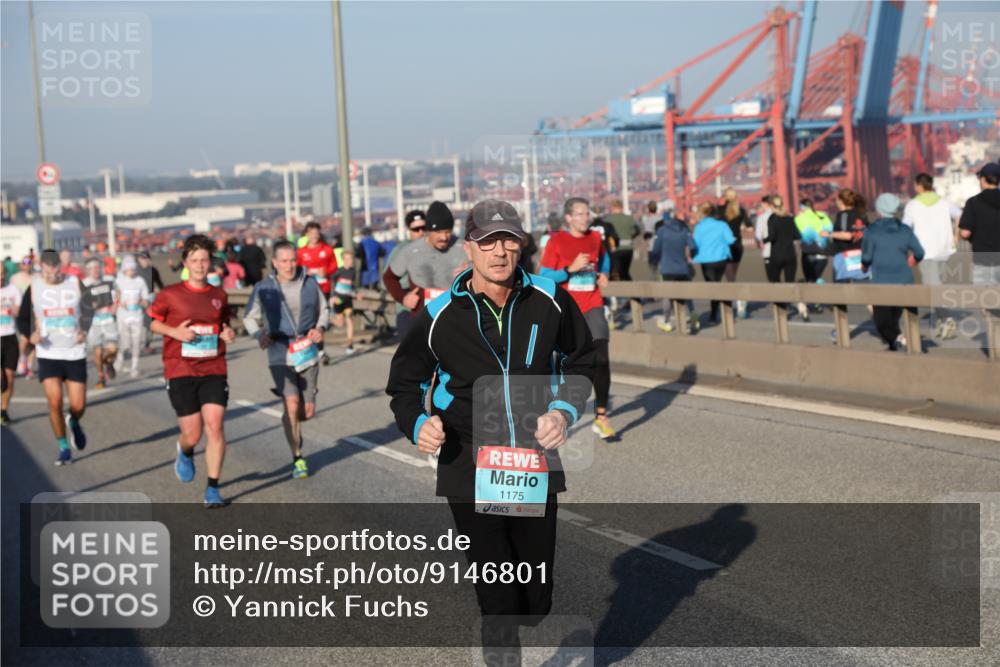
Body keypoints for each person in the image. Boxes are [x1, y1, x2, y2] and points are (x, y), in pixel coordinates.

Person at [386, 199, 595, 667]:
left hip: (531, 460)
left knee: (534, 595)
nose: (499, 251)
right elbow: (404, 382)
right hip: (469, 460)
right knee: (496, 588)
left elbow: (583, 360)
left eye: (508, 240)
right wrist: (418, 423)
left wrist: (562, 411)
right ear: (469, 249)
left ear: (521, 246)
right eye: (487, 241)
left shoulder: (549, 299)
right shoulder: (440, 313)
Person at [149, 234, 237, 507]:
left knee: (215, 425)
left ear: (210, 263)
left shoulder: (218, 295)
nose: (200, 265)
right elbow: (153, 323)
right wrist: (174, 331)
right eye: (195, 260)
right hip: (180, 369)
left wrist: (228, 333)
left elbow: (223, 325)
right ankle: (185, 451)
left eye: (204, 260)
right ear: (186, 262)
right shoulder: (170, 294)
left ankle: (212, 488)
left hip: (213, 366)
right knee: (193, 434)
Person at [243, 240, 328, 479]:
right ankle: (298, 457)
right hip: (279, 350)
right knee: (292, 404)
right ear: (274, 262)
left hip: (307, 351)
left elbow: (325, 309)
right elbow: (249, 317)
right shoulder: (264, 287)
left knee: (306, 412)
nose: (289, 266)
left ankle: (290, 416)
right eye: (284, 261)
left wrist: (320, 328)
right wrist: (259, 334)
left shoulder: (310, 283)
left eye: (292, 260)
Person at [539, 197, 616, 439]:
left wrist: (603, 272)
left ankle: (601, 416)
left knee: (601, 358)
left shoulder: (595, 238)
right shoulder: (556, 240)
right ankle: (556, 412)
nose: (586, 218)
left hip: (592, 304)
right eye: (580, 214)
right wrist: (569, 270)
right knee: (560, 365)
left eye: (587, 214)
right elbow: (544, 275)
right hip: (566, 310)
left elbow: (604, 257)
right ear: (569, 217)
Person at [15, 249, 88, 465]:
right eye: (47, 273)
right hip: (48, 353)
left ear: (60, 267)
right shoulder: (35, 287)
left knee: (78, 404)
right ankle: (63, 447)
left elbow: (89, 308)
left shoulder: (74, 282)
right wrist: (31, 335)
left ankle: (73, 421)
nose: (51, 276)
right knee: (54, 401)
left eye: (55, 271)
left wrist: (84, 328)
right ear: (42, 269)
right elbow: (23, 318)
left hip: (74, 352)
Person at [861, 193, 925, 351]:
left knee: (882, 321)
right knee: (899, 317)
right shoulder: (905, 230)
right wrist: (913, 260)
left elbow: (867, 256)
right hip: (904, 281)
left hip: (881, 283)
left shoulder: (872, 231)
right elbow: (919, 252)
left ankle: (896, 339)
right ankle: (900, 342)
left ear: (879, 209)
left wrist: (865, 265)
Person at [901, 173, 960, 337]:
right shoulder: (944, 202)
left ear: (919, 186)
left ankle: (947, 318)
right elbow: (960, 215)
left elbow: (905, 226)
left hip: (925, 251)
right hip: (945, 249)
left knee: (932, 287)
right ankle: (943, 321)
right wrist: (956, 235)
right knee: (936, 285)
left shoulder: (912, 205)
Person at [383, 201, 467, 315]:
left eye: (447, 232)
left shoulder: (464, 247)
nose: (444, 237)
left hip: (456, 313)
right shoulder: (410, 251)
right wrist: (403, 298)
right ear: (428, 231)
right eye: (438, 232)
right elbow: (389, 277)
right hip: (424, 317)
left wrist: (469, 274)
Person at [649, 209, 698, 334]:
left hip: (667, 268)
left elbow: (656, 250)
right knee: (686, 294)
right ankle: (693, 316)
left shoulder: (662, 231)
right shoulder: (684, 230)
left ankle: (666, 321)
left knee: (667, 296)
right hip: (682, 268)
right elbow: (693, 247)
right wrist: (690, 257)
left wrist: (653, 265)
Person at [762, 196, 809, 321]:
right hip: (790, 255)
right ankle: (801, 307)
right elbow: (797, 235)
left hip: (776, 255)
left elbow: (771, 236)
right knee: (790, 284)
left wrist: (764, 239)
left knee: (776, 283)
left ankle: (782, 312)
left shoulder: (772, 219)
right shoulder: (790, 218)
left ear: (772, 206)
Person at [382, 210, 426, 339]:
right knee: (411, 356)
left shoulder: (436, 249)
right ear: (409, 230)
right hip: (407, 310)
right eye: (416, 229)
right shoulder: (400, 251)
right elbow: (387, 280)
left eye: (424, 228)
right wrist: (404, 296)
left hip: (432, 310)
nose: (421, 232)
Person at [690, 202, 735, 324]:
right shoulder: (722, 224)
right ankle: (726, 310)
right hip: (721, 258)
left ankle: (714, 314)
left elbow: (695, 244)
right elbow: (731, 240)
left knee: (711, 286)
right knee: (718, 283)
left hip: (706, 260)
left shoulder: (699, 227)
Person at [79, 258, 119, 389]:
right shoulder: (84, 284)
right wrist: (88, 307)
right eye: (93, 268)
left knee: (112, 349)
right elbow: (80, 304)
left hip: (108, 319)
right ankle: (101, 376)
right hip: (94, 322)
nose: (96, 270)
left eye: (97, 267)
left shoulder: (108, 280)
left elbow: (118, 294)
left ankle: (108, 363)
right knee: (97, 352)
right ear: (88, 271)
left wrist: (115, 305)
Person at [958, 162, 1000, 286]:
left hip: (983, 257)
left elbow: (965, 233)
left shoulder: (973, 202)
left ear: (982, 180)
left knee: (983, 296)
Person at [114, 255, 151, 379]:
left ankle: (134, 368)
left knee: (136, 342)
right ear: (124, 269)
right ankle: (119, 361)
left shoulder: (139, 281)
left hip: (137, 315)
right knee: (125, 342)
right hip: (123, 316)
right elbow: (113, 297)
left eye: (133, 268)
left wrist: (143, 301)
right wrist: (119, 302)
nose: (131, 271)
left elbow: (146, 298)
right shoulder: (119, 281)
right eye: (129, 269)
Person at [795, 198, 833, 311]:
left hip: (809, 252)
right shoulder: (822, 215)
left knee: (811, 279)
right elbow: (830, 229)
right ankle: (828, 299)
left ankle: (818, 303)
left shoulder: (799, 218)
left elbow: (798, 234)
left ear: (802, 207)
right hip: (824, 252)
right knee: (817, 277)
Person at [720, 188, 752, 317]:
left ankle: (739, 300)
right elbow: (749, 225)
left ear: (725, 197)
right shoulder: (741, 210)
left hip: (725, 245)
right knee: (732, 274)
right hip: (738, 245)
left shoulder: (720, 210)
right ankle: (737, 300)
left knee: (730, 277)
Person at [1, 262, 23, 425]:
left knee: (9, 376)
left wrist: (15, 310)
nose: (0, 277)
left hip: (9, 336)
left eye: (2, 273)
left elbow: (19, 310)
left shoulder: (13, 290)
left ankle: (3, 410)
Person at [604, 199, 640, 282]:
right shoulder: (629, 218)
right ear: (622, 207)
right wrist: (631, 237)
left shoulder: (608, 220)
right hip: (628, 249)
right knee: (625, 271)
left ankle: (620, 292)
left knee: (616, 272)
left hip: (615, 250)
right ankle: (631, 291)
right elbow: (637, 230)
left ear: (613, 208)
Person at [136, 251, 163, 354]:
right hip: (137, 300)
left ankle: (147, 345)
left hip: (151, 299)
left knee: (149, 323)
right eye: (141, 259)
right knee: (137, 324)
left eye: (145, 258)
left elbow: (160, 284)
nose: (144, 261)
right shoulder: (135, 271)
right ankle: (136, 345)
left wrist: (161, 292)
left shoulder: (153, 270)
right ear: (138, 260)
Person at [331, 249, 357, 354]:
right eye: (346, 259)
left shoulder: (353, 271)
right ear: (343, 260)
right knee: (340, 323)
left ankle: (350, 344)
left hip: (348, 298)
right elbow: (332, 282)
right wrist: (333, 296)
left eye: (350, 259)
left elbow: (352, 285)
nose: (349, 261)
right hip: (338, 298)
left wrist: (356, 293)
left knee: (349, 318)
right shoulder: (339, 271)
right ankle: (329, 320)